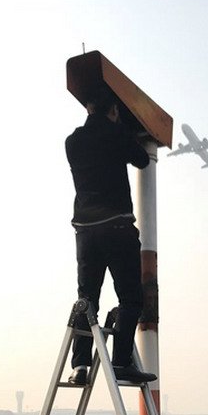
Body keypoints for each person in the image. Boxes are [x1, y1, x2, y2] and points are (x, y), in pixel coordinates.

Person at [65, 85, 157, 386]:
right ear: (114, 110)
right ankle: (120, 362)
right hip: (117, 228)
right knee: (131, 297)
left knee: (87, 298)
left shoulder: (72, 142)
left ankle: (80, 365)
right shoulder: (117, 134)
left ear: (88, 108)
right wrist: (125, 129)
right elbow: (142, 159)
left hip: (85, 231)